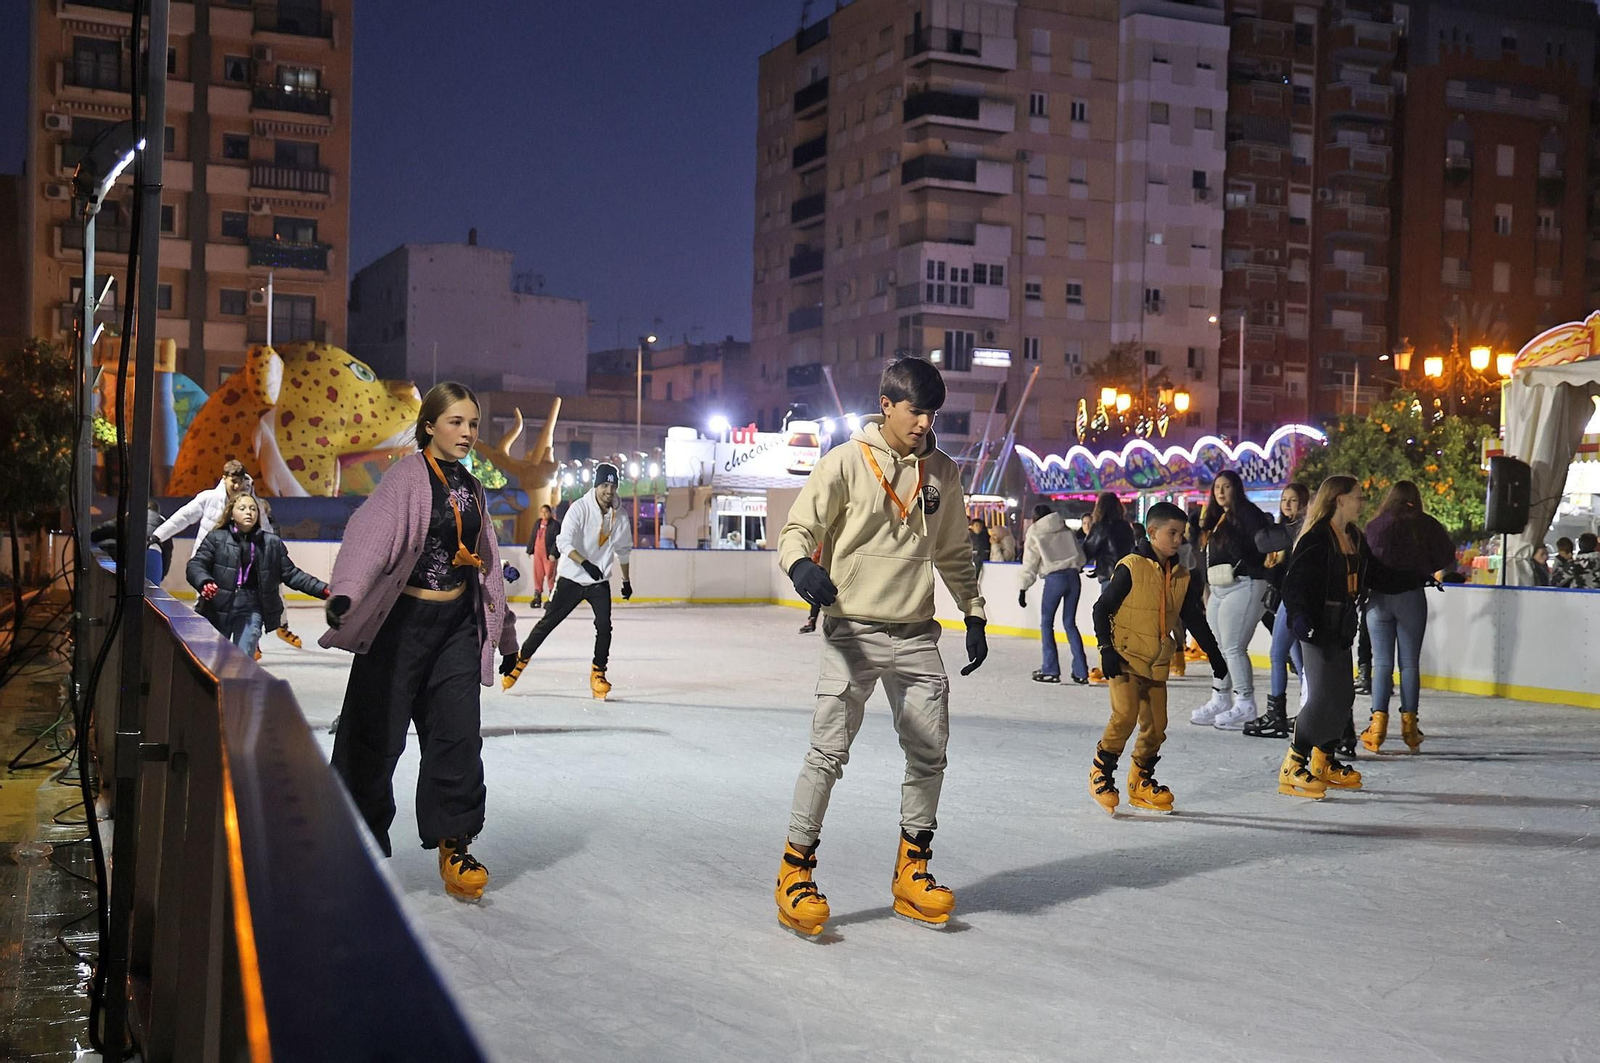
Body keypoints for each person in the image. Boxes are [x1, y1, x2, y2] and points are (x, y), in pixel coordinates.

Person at [772, 357, 987, 937]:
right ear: (887, 405)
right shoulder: (844, 462)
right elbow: (798, 531)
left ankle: (912, 871)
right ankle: (795, 871)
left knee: (929, 753)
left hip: (916, 635)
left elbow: (953, 552)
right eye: (916, 410)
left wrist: (973, 612)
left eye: (932, 413)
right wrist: (800, 568)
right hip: (853, 633)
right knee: (827, 753)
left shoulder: (942, 471)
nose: (924, 423)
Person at [320, 382, 520, 902]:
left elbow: (490, 568)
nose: (467, 433)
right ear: (429, 425)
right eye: (456, 422)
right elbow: (370, 536)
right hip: (400, 626)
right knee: (373, 737)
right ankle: (355, 842)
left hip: (455, 626)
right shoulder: (407, 478)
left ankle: (455, 844)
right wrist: (346, 593)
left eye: (473, 424)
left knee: (457, 737)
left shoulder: (473, 488)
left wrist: (506, 634)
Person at [1088, 502, 1227, 814]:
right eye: (1172, 533)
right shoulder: (1131, 567)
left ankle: (1140, 781)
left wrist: (1215, 655)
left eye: (1182, 533)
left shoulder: (1182, 576)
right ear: (1151, 533)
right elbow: (1101, 609)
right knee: (1124, 715)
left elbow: (1194, 619)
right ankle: (1101, 771)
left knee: (1156, 726)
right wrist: (1106, 650)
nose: (1178, 539)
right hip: (1124, 656)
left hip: (1156, 661)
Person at [501, 462, 633, 699]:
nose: (609, 491)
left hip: (598, 582)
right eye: (604, 485)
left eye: (613, 486)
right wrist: (585, 563)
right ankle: (519, 662)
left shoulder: (620, 516)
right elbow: (564, 543)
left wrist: (626, 580)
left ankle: (598, 673)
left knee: (604, 626)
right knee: (548, 623)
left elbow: (623, 549)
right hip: (572, 578)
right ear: (596, 486)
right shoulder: (580, 509)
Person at [1276, 475, 1370, 799]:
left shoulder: (1353, 536)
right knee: (1321, 697)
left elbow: (1376, 572)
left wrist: (1414, 576)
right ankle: (1293, 762)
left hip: (1342, 625)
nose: (1362, 502)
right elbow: (1294, 584)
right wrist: (1301, 620)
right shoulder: (1316, 537)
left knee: (1343, 696)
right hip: (1316, 625)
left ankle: (1324, 760)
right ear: (1340, 499)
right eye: (1358, 496)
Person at [151, 458, 305, 649]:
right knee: (207, 604)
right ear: (224, 479)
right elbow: (182, 517)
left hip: (239, 565)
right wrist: (159, 535)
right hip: (210, 564)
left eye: (240, 481)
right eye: (233, 481)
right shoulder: (208, 499)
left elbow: (265, 529)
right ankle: (200, 646)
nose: (236, 485)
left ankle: (254, 641)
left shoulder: (251, 503)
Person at [1360, 481, 1456, 754]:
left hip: (1377, 599)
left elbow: (1364, 556)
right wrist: (1422, 564)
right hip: (1411, 596)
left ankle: (1376, 729)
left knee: (1381, 664)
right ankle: (1410, 729)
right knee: (1409, 664)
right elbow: (1446, 554)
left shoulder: (1376, 524)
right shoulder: (1425, 524)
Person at [186, 491, 328, 654]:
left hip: (252, 606)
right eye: (243, 508)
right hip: (218, 605)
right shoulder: (216, 538)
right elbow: (196, 565)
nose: (249, 512)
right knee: (214, 658)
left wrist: (323, 590)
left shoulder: (271, 543)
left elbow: (292, 574)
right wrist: (204, 582)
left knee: (244, 657)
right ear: (231, 514)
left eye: (253, 509)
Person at [1190, 470, 1273, 730]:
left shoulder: (1248, 514)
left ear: (1237, 488)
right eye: (1217, 487)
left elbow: (1262, 547)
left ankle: (1245, 703)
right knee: (1217, 646)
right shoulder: (1215, 519)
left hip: (1245, 583)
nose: (1221, 492)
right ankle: (1221, 697)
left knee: (1234, 646)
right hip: (1219, 586)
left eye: (1227, 486)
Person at [1245, 482, 1310, 739]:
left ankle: (1277, 715)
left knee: (1277, 654)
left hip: (1291, 599)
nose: (1287, 504)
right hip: (1290, 598)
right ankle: (1305, 709)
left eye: (1293, 500)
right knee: (1298, 660)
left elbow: (1261, 542)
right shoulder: (1287, 534)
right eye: (1285, 499)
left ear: (1305, 504)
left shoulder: (1295, 532)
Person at [1018, 503, 1088, 684]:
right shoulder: (1065, 528)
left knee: (1047, 623)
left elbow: (1030, 562)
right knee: (1070, 623)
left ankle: (1050, 669)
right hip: (1073, 577)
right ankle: (1081, 671)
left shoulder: (1035, 532)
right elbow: (1080, 555)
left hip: (1054, 579)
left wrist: (1023, 587)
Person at [526, 503, 561, 609]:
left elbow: (557, 540)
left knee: (550, 575)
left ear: (550, 513)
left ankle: (552, 596)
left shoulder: (555, 525)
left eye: (546, 512)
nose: (544, 514)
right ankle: (537, 596)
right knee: (537, 575)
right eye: (542, 512)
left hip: (548, 553)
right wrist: (530, 549)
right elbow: (533, 536)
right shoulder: (538, 523)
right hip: (538, 553)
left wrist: (554, 553)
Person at [968, 517, 989, 583]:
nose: (978, 527)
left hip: (983, 558)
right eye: (976, 525)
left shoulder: (985, 537)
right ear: (972, 526)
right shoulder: (968, 537)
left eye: (980, 526)